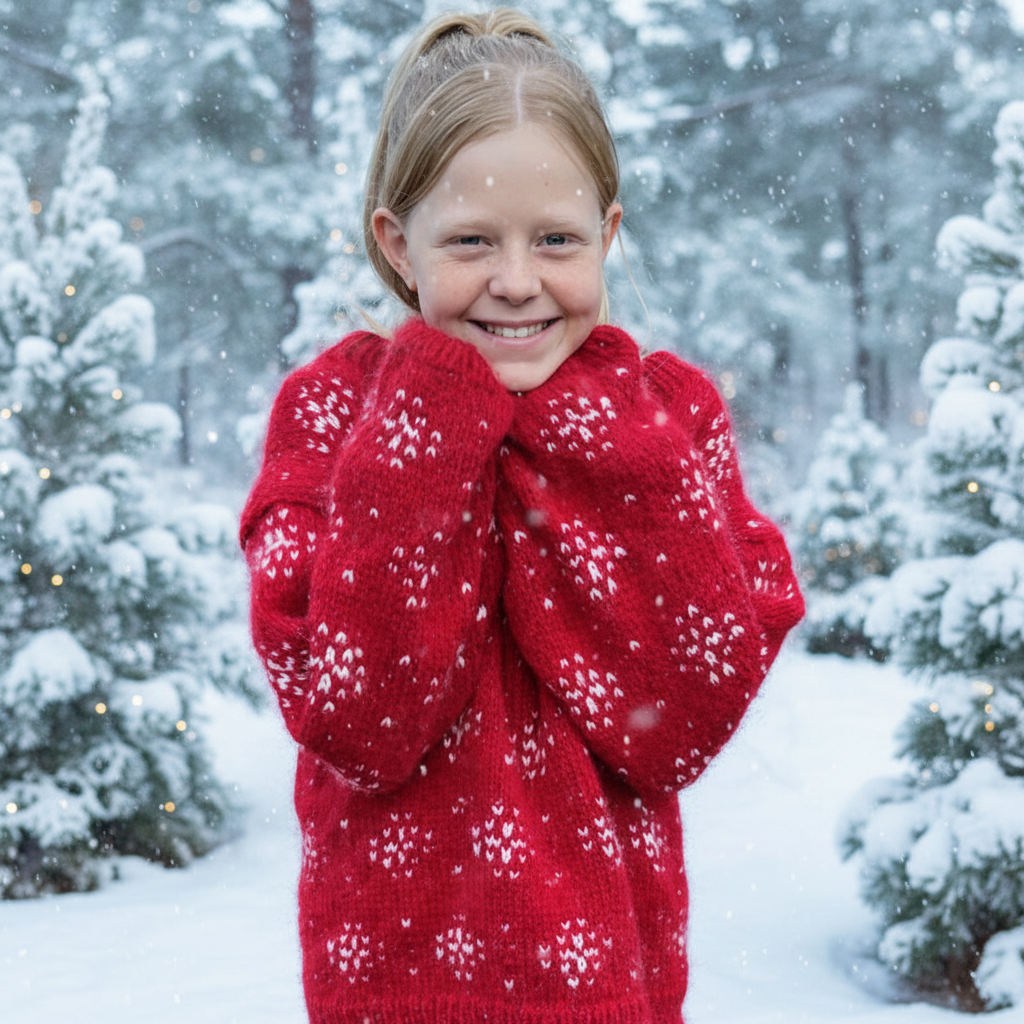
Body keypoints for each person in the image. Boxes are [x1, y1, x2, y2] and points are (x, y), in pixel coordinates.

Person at [240, 9, 804, 1023]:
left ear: (608, 235)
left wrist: (599, 438)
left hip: (611, 983)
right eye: (470, 240)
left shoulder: (665, 420)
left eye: (556, 240)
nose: (514, 280)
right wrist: (427, 420)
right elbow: (361, 724)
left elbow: (679, 719)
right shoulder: (333, 418)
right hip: (396, 988)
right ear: (397, 243)